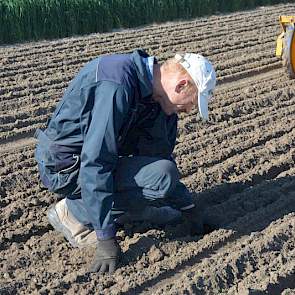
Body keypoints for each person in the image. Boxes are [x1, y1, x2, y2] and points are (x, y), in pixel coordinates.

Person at [34, 49, 216, 274]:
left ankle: (130, 208)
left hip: (91, 160)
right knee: (161, 176)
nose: (189, 110)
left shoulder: (154, 97)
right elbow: (96, 162)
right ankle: (74, 213)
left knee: (160, 175)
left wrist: (188, 207)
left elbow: (158, 157)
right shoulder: (118, 84)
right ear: (181, 85)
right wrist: (105, 238)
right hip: (66, 166)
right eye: (192, 102)